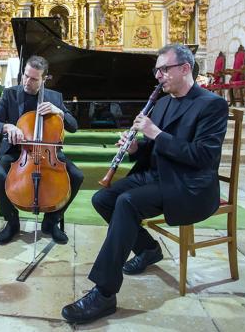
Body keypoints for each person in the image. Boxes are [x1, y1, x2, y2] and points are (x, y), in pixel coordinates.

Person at [61, 44, 229, 324]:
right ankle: (149, 249)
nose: (158, 76)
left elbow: (203, 157)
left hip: (188, 183)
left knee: (127, 203)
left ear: (185, 68)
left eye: (164, 70)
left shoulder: (212, 105)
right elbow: (154, 148)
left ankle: (104, 293)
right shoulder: (163, 102)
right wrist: (136, 149)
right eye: (157, 70)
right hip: (157, 174)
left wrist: (155, 133)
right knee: (102, 199)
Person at [0, 55, 84, 245]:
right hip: (17, 153)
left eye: (33, 79)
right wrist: (8, 127)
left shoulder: (55, 97)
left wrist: (60, 112)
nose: (27, 82)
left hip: (48, 152)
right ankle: (12, 222)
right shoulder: (10, 94)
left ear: (44, 79)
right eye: (25, 76)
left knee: (77, 176)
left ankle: (51, 221)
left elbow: (73, 126)